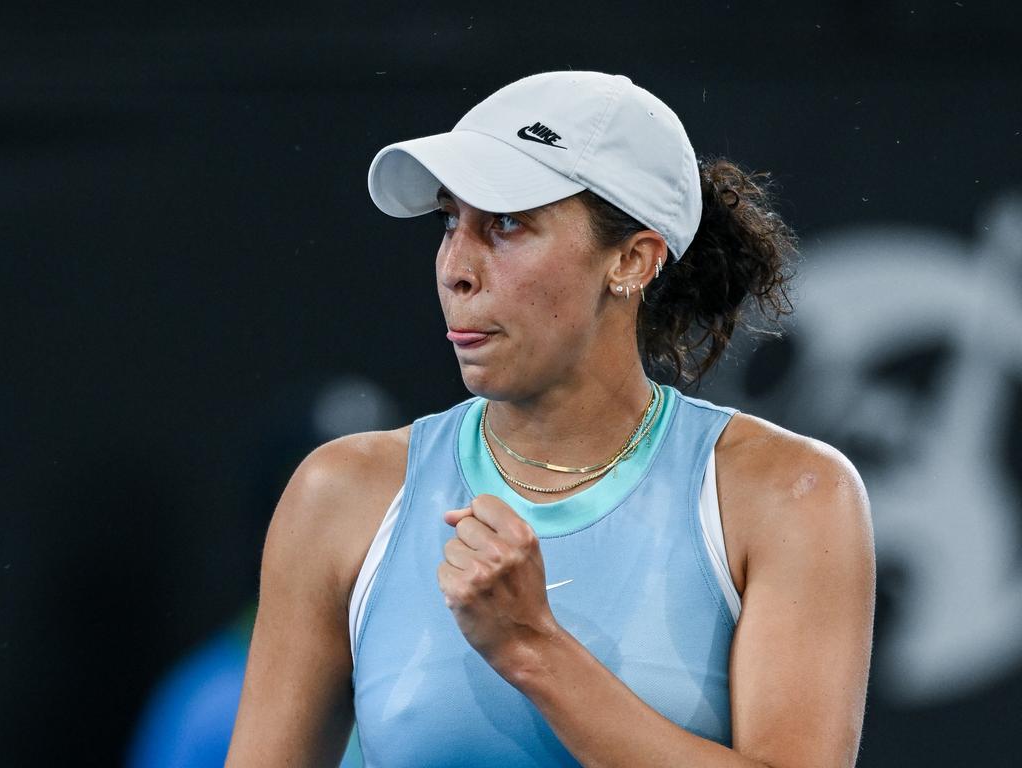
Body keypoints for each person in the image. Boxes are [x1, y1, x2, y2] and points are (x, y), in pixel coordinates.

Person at [226, 71, 875, 767]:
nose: (456, 268)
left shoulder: (789, 494)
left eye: (506, 224)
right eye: (451, 221)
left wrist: (532, 648)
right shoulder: (340, 494)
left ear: (631, 259)